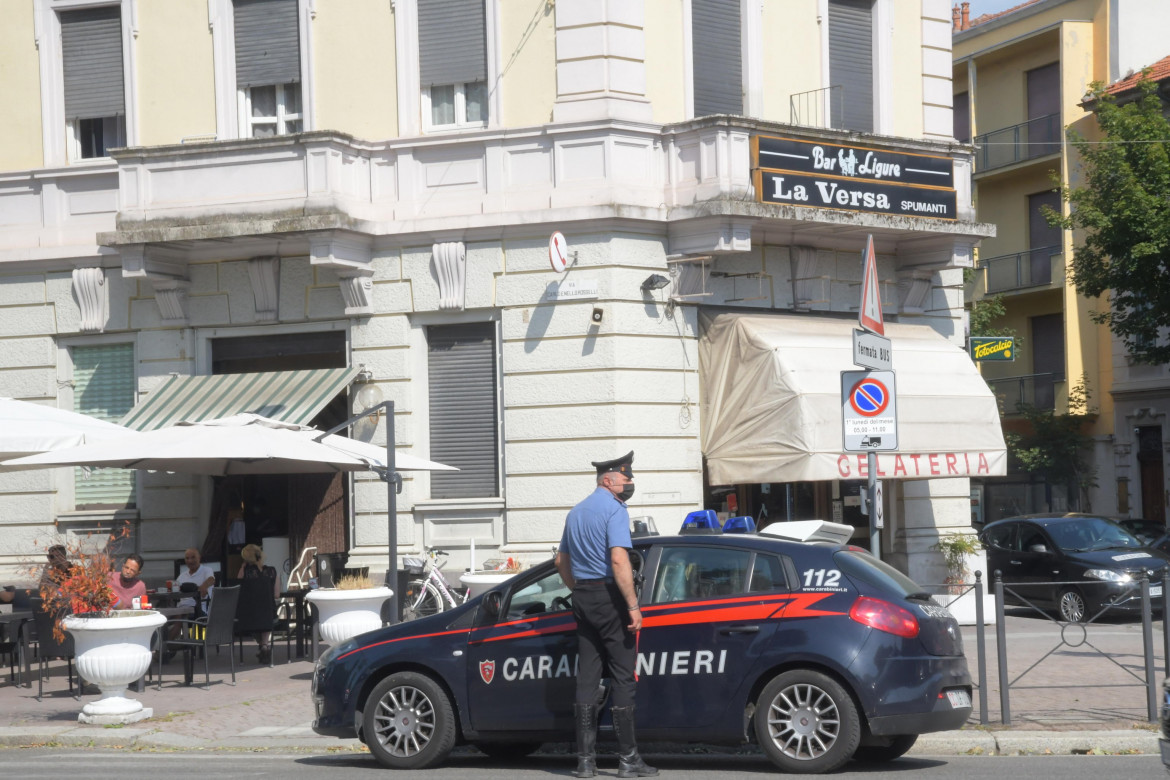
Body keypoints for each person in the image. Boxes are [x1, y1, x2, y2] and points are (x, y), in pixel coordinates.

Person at [554, 451, 657, 779]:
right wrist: (632, 605)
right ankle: (628, 761)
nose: (629, 485)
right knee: (623, 676)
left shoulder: (576, 512)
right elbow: (618, 560)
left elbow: (561, 562)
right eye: (626, 480)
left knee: (587, 677)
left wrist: (578, 589)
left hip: (583, 596)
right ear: (608, 480)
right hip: (610, 597)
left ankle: (586, 763)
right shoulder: (614, 510)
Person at [236, 543, 280, 663]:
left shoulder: (246, 573)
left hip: (250, 617)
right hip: (270, 616)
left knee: (253, 619)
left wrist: (242, 567)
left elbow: (237, 583)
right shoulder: (272, 571)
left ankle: (262, 645)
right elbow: (276, 595)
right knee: (266, 616)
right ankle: (265, 645)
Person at [176, 548, 216, 616]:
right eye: (187, 558)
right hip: (180, 607)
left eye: (193, 557)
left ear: (199, 558)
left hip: (197, 608)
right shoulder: (182, 576)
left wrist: (204, 586)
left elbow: (211, 579)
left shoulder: (207, 570)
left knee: (181, 614)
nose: (190, 561)